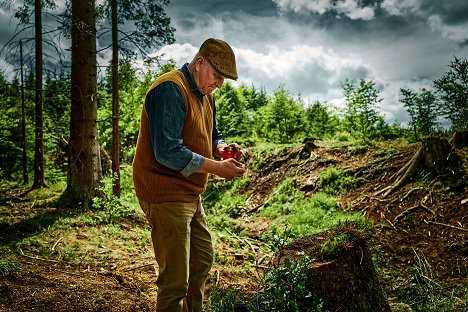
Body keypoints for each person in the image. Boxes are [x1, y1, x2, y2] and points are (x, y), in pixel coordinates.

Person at [132, 38, 246, 312]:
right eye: (217, 76)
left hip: (189, 191)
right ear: (199, 63)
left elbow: (212, 133)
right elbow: (168, 151)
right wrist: (217, 168)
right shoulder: (170, 89)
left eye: (224, 80)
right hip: (164, 191)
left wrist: (221, 148)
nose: (219, 84)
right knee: (175, 281)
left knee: (201, 261)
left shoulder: (206, 95)